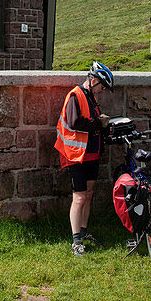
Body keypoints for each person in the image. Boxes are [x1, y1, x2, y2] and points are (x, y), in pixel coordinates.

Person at [54, 61, 113, 255]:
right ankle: (76, 241)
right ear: (94, 80)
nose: (103, 90)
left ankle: (84, 231)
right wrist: (98, 122)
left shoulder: (91, 97)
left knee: (89, 194)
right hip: (77, 156)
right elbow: (74, 122)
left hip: (91, 154)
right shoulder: (75, 95)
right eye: (102, 86)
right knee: (79, 198)